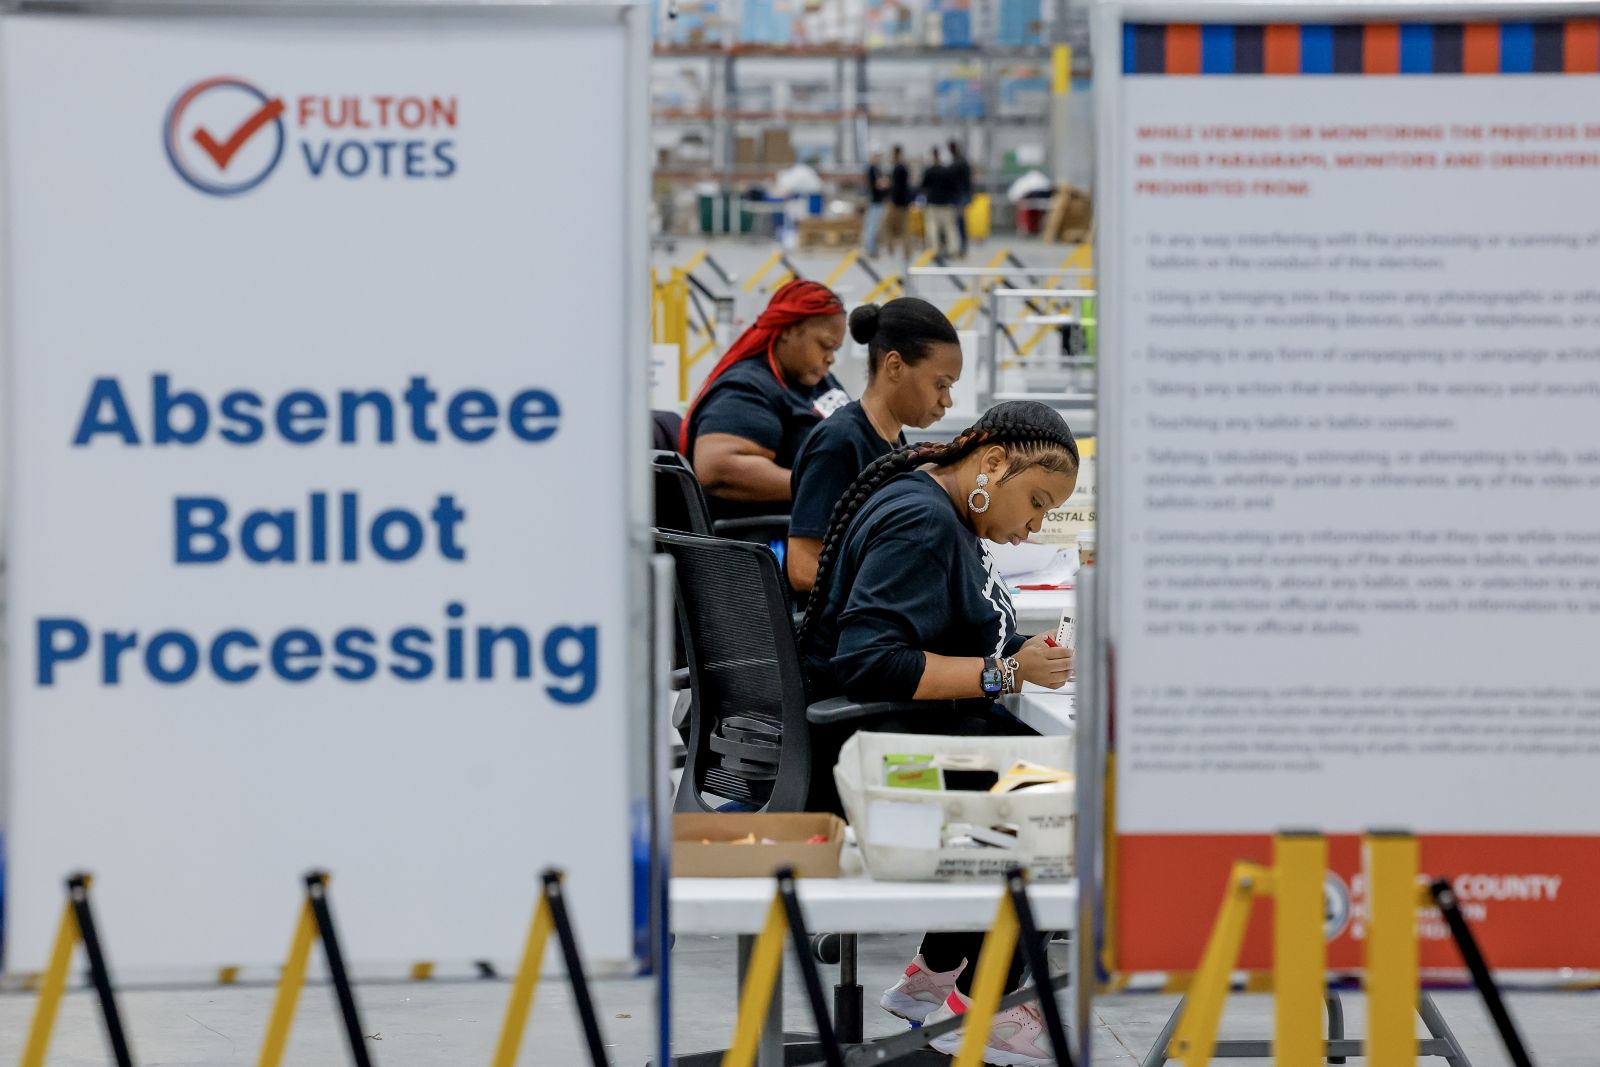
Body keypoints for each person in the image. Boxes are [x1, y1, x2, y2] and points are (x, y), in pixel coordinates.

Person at [798, 400, 1079, 1067]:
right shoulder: (923, 522)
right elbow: (871, 660)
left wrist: (1015, 652)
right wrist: (1005, 670)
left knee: (1039, 765)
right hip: (871, 752)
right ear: (992, 462)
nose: (1035, 525)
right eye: (1035, 502)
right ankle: (989, 1008)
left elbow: (943, 629)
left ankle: (937, 975)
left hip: (891, 735)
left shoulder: (939, 510)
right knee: (1057, 798)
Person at [786, 298, 963, 593]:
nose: (947, 401)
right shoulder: (839, 443)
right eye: (940, 385)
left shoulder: (892, 440)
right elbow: (803, 568)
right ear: (894, 366)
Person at [679, 280, 849, 522]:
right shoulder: (745, 388)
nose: (830, 358)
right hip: (776, 539)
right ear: (788, 329)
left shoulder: (816, 378)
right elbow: (717, 467)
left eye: (836, 350)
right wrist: (826, 489)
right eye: (825, 346)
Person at [921, 148, 961, 260]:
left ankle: (934, 250)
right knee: (950, 229)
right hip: (947, 204)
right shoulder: (949, 172)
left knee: (932, 228)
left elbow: (923, 187)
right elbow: (955, 189)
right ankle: (953, 250)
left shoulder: (929, 171)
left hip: (933, 204)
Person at [883, 145, 912, 258]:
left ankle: (891, 248)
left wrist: (891, 198)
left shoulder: (898, 168)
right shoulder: (904, 168)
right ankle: (907, 252)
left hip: (897, 204)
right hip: (904, 203)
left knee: (887, 226)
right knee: (905, 229)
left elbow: (897, 187)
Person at [948, 140, 973, 257]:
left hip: (959, 196)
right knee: (959, 223)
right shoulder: (963, 162)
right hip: (962, 195)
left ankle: (962, 247)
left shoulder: (957, 163)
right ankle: (961, 246)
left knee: (959, 223)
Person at [863, 149, 890, 257]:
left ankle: (872, 247)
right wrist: (885, 183)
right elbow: (878, 184)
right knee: (872, 226)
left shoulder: (877, 169)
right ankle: (870, 248)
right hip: (875, 202)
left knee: (874, 226)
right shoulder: (872, 169)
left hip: (877, 201)